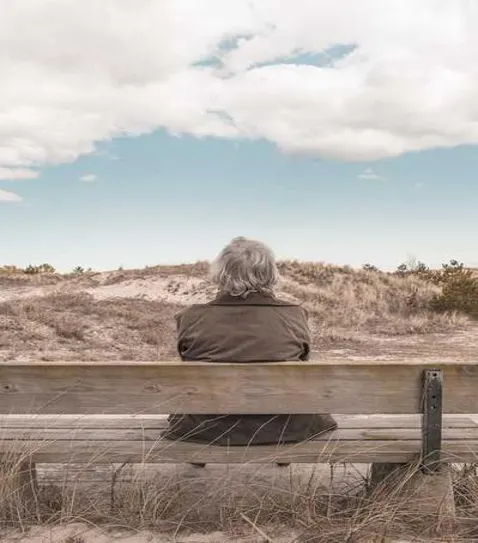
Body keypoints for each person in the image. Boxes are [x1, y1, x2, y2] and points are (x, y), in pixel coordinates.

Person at [162, 237, 337, 459]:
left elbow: (188, 361)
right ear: (270, 273)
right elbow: (302, 362)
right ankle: (282, 458)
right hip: (284, 426)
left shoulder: (191, 317)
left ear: (221, 274)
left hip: (206, 428)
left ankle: (199, 459)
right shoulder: (294, 315)